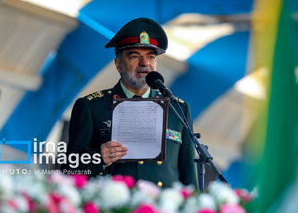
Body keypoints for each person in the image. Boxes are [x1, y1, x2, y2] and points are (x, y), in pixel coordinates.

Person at [61, 18, 198, 189]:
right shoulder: (91, 107)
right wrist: (98, 158)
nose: (145, 63)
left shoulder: (177, 109)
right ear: (118, 64)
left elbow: (189, 179)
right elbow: (68, 172)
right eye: (135, 56)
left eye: (151, 56)